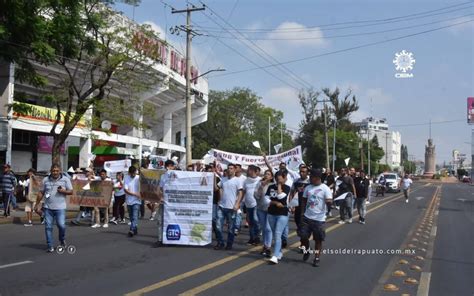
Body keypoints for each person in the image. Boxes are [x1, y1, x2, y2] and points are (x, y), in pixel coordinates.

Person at [34, 164, 73, 252]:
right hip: (48, 208)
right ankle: (50, 245)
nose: (55, 172)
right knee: (48, 227)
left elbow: (71, 191)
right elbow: (41, 193)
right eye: (53, 171)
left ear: (60, 171)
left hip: (60, 208)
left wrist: (64, 191)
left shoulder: (65, 179)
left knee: (61, 225)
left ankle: (62, 239)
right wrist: (37, 204)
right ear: (51, 171)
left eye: (57, 170)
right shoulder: (46, 180)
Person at [300, 169, 333, 267]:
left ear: (318, 178)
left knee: (318, 240)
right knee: (303, 236)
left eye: (312, 177)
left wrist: (329, 203)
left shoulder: (325, 188)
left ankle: (317, 257)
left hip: (319, 219)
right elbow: (304, 201)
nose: (310, 178)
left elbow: (329, 201)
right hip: (307, 217)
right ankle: (307, 251)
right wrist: (302, 213)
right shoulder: (308, 187)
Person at [214, 163, 243, 250]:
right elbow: (216, 188)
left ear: (234, 170)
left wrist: (237, 204)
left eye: (231, 168)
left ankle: (229, 244)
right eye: (228, 168)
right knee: (218, 226)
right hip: (222, 206)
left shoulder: (237, 180)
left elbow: (240, 193)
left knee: (231, 228)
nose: (229, 170)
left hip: (231, 208)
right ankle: (220, 243)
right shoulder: (223, 179)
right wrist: (213, 178)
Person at [266, 169, 291, 264]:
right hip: (271, 213)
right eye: (277, 179)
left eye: (280, 179)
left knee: (277, 234)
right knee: (275, 234)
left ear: (284, 179)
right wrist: (275, 202)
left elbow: (282, 197)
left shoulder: (287, 187)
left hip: (282, 214)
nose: (278, 181)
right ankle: (279, 252)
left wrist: (280, 186)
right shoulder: (271, 187)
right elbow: (266, 199)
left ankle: (275, 256)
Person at [154, 159, 176, 246]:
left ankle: (171, 239)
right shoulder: (163, 176)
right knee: (160, 220)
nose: (173, 168)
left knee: (172, 220)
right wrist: (160, 197)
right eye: (172, 166)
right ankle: (160, 239)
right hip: (164, 202)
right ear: (168, 167)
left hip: (173, 203)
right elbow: (160, 189)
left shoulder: (177, 176)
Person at [289, 165, 310, 250]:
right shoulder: (296, 181)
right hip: (297, 207)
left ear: (307, 173)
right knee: (299, 226)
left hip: (307, 208)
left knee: (304, 227)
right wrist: (291, 204)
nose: (302, 173)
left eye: (304, 172)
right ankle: (303, 242)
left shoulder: (310, 182)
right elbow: (292, 193)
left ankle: (304, 244)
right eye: (301, 171)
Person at [254, 169, 274, 257]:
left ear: (272, 176)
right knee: (264, 228)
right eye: (266, 174)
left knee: (268, 228)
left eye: (269, 174)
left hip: (270, 209)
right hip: (260, 208)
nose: (266, 175)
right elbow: (256, 196)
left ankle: (268, 247)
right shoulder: (259, 183)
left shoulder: (273, 185)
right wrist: (261, 187)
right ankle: (265, 246)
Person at [242, 165, 261, 245]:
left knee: (256, 220)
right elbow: (243, 192)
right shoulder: (246, 181)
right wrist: (240, 202)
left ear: (253, 171)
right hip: (248, 204)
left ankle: (257, 237)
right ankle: (252, 238)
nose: (247, 171)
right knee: (250, 222)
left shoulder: (260, 180)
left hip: (256, 204)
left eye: (249, 170)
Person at [124, 166, 141, 237]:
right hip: (129, 200)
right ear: (129, 173)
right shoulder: (126, 178)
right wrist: (134, 194)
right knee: (131, 217)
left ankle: (131, 229)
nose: (133, 175)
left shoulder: (139, 178)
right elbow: (125, 190)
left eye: (134, 173)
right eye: (132, 174)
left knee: (135, 216)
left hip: (137, 201)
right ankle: (135, 229)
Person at [233, 163, 247, 235]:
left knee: (238, 213)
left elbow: (245, 190)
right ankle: (233, 226)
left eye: (237, 167)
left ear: (240, 169)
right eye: (235, 167)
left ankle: (237, 228)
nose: (236, 169)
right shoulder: (232, 177)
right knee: (232, 215)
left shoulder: (244, 178)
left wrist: (242, 199)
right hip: (232, 199)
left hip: (240, 199)